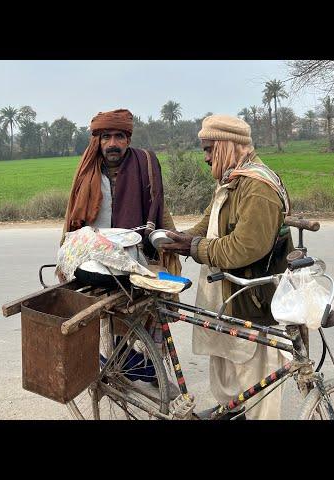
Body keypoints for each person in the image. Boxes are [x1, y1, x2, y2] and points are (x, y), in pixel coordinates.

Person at [161, 114, 293, 419]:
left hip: (251, 302)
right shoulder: (232, 180)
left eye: (209, 150)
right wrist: (178, 238)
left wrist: (192, 247)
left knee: (258, 387)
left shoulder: (257, 187)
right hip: (227, 297)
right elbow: (208, 225)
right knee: (229, 381)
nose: (206, 158)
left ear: (227, 145)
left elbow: (244, 248)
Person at [61, 108, 181, 399]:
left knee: (152, 312)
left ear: (127, 139)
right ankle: (118, 366)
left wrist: (171, 244)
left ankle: (151, 369)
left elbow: (158, 207)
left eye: (118, 136)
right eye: (106, 137)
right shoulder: (88, 170)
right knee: (109, 317)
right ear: (98, 140)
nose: (112, 143)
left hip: (138, 253)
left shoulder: (145, 164)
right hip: (99, 259)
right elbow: (75, 216)